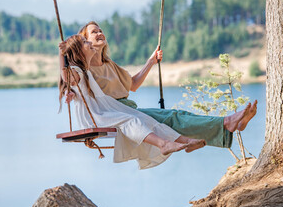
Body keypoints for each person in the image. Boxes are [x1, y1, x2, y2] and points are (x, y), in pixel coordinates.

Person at [60, 21, 258, 150]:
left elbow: (133, 85)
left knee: (180, 115)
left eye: (100, 30)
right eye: (93, 32)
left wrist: (151, 61)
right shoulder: (83, 69)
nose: (99, 33)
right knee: (171, 118)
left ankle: (229, 124)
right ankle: (227, 123)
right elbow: (74, 83)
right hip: (115, 113)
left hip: (129, 108)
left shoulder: (110, 65)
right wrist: (71, 91)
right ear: (83, 42)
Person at [59, 34, 211, 169]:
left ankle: (186, 142)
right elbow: (67, 78)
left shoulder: (85, 71)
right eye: (85, 41)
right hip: (94, 117)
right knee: (130, 120)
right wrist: (62, 55)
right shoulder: (75, 71)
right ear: (78, 51)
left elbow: (76, 89)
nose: (89, 42)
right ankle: (163, 144)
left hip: (104, 110)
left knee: (145, 119)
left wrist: (72, 94)